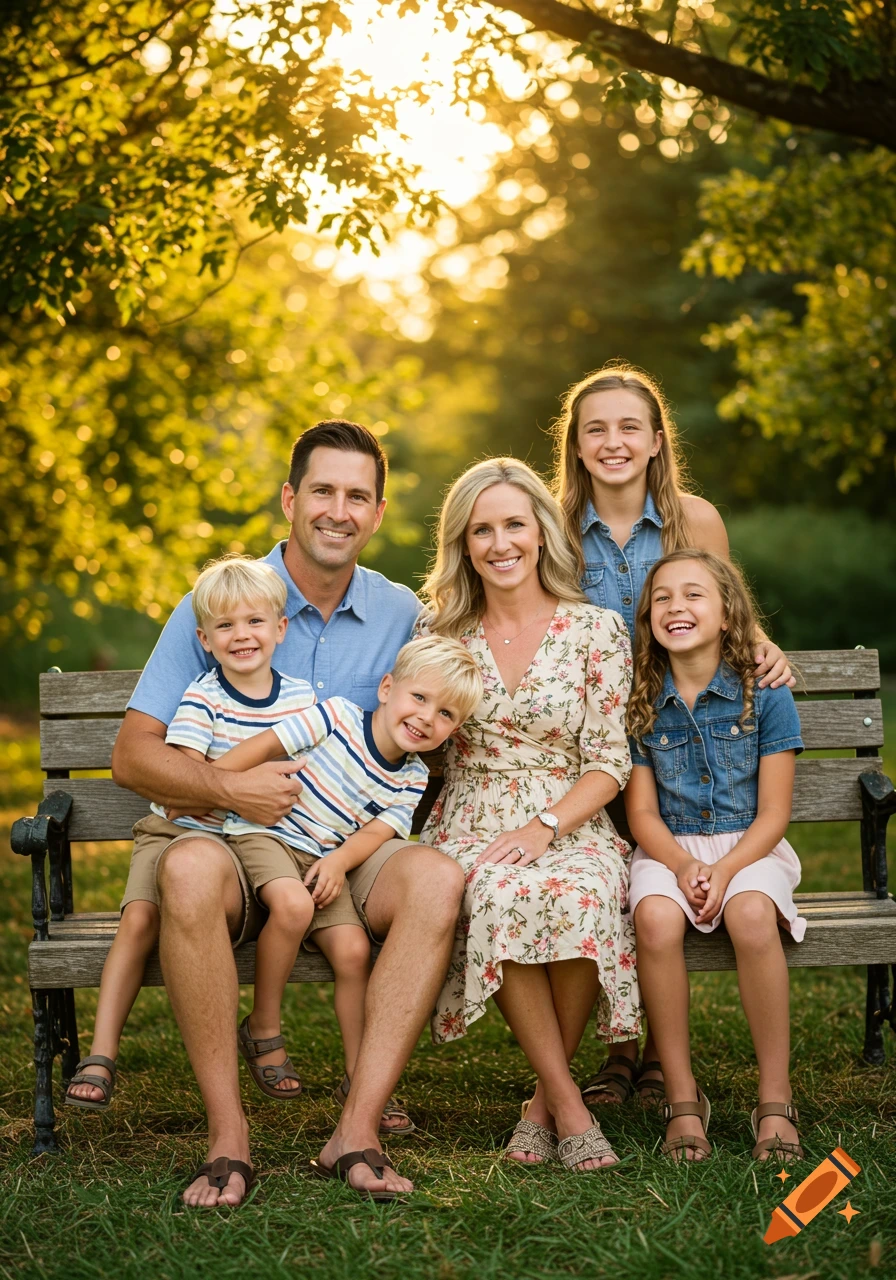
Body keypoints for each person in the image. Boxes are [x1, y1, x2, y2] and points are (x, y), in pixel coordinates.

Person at [110, 419, 465, 1206]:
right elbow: (133, 757)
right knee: (191, 865)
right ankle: (229, 1141)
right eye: (322, 491)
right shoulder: (227, 599)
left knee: (438, 880)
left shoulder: (402, 612)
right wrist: (231, 789)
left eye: (357, 496)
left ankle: (357, 1130)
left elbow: (454, 690)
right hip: (236, 842)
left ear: (376, 514)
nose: (338, 510)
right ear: (290, 500)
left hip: (349, 844)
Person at [552, 362, 795, 1107]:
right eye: (597, 429)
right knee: (620, 872)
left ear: (657, 440)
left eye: (630, 427)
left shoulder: (697, 520)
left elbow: (726, 610)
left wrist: (762, 645)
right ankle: (620, 1051)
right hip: (589, 732)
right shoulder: (555, 526)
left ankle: (660, 1055)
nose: (614, 441)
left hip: (679, 722)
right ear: (577, 445)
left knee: (656, 860)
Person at [418, 458, 640, 1173]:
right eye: (482, 529)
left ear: (541, 532)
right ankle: (571, 1108)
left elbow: (610, 761)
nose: (500, 541)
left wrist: (545, 825)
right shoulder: (443, 632)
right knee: (493, 891)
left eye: (514, 523)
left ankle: (541, 1107)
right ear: (464, 544)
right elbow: (414, 734)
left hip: (568, 811)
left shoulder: (596, 630)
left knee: (581, 894)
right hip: (469, 812)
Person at [65, 556, 314, 1110]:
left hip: (252, 838)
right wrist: (233, 785)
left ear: (280, 628)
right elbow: (182, 792)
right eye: (225, 626)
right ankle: (102, 1051)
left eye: (254, 622)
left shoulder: (299, 699)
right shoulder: (203, 697)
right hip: (176, 830)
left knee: (287, 904)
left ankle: (262, 1027)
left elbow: (308, 770)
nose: (241, 636)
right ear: (203, 638)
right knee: (139, 917)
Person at [210, 633, 482, 1120]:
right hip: (268, 835)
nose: (426, 717)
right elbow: (264, 745)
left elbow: (376, 834)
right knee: (293, 906)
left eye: (445, 715)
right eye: (419, 697)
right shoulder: (335, 716)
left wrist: (337, 863)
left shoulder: (412, 777)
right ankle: (263, 1025)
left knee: (354, 951)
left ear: (454, 730)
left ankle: (361, 1079)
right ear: (386, 688)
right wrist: (206, 787)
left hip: (323, 859)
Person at [625, 549, 805, 1162]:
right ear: (648, 616)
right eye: (663, 598)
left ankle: (774, 1095)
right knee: (654, 917)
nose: (677, 607)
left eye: (694, 594)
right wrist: (680, 865)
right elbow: (642, 814)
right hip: (669, 846)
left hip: (749, 845)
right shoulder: (642, 700)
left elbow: (774, 814)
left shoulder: (764, 693)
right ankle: (681, 1096)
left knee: (751, 914)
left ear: (728, 613)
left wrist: (725, 870)